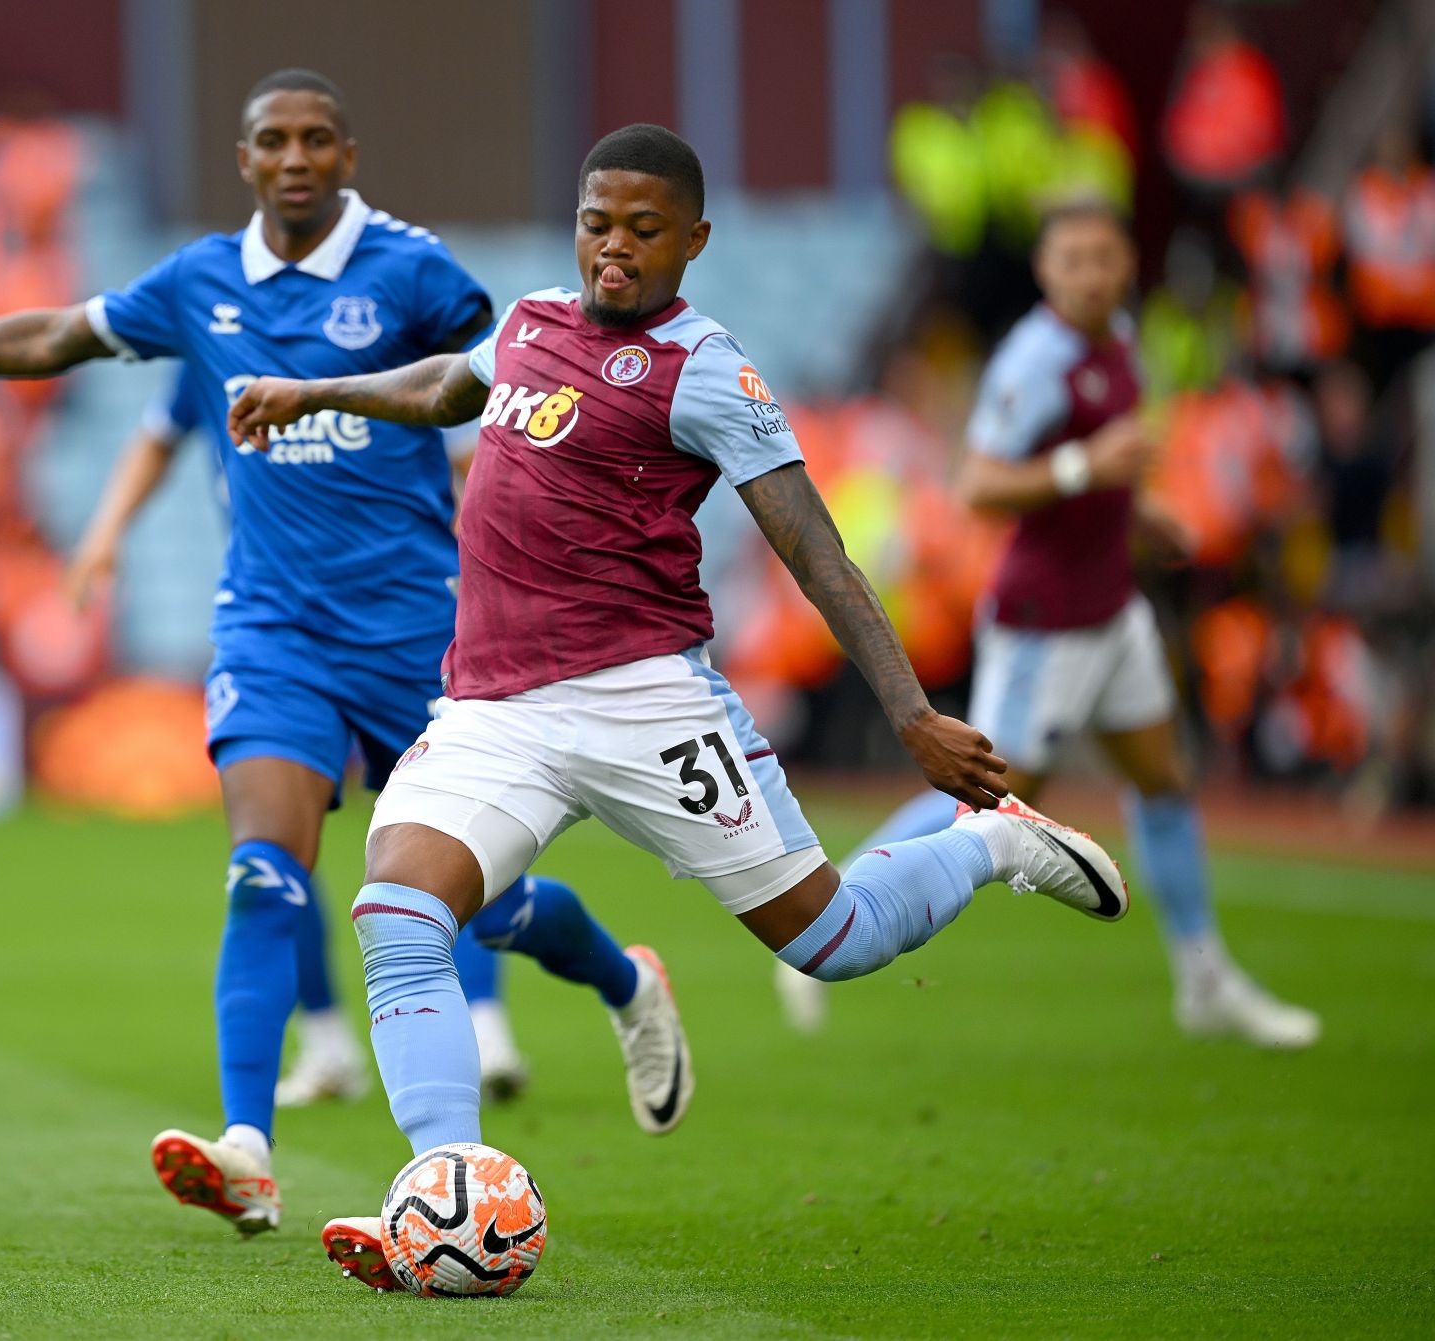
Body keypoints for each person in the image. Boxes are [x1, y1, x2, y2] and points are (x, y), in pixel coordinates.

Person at [0, 71, 684, 1238]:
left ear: (348, 155)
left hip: (419, 632)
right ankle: (246, 1146)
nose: (294, 158)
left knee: (477, 914)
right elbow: (57, 333)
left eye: (315, 139)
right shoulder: (198, 282)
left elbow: (507, 386)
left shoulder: (413, 271)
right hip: (274, 631)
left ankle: (625, 982)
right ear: (245, 161)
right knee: (265, 871)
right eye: (271, 141)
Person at [225, 124, 1131, 1293]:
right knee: (398, 911)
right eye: (598, 224)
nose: (614, 251)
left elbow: (816, 552)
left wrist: (910, 714)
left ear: (693, 241)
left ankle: (998, 845)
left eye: (644, 231)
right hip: (496, 706)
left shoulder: (710, 371)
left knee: (832, 939)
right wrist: (320, 391)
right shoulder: (532, 321)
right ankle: (447, 1189)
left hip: (647, 700)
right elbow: (448, 384)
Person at [842, 200, 1319, 1050]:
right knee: (987, 795)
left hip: (1112, 606)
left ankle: (1204, 978)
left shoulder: (1120, 339)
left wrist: (1135, 517)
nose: (1092, 274)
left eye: (1105, 257)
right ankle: (847, 895)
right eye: (1074, 260)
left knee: (1163, 779)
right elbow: (978, 485)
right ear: (1046, 272)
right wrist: (1084, 467)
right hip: (1044, 622)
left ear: (1125, 263)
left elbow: (1101, 472)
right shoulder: (1037, 358)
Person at [65, 375, 530, 1106]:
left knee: (453, 831)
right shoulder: (211, 324)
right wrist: (104, 531)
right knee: (273, 854)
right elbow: (157, 435)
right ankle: (326, 1042)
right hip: (283, 640)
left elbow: (473, 447)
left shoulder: (388, 308)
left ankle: (497, 1016)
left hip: (401, 629)